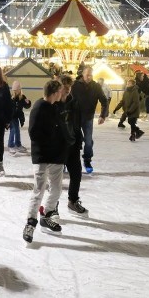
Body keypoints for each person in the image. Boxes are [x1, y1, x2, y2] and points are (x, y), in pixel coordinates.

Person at [22, 80, 68, 243]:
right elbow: (34, 133)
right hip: (42, 156)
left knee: (56, 189)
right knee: (39, 190)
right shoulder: (39, 107)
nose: (62, 94)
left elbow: (61, 129)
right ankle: (30, 222)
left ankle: (47, 215)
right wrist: (52, 140)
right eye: (60, 92)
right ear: (55, 92)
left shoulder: (56, 107)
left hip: (57, 156)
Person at [58, 74, 88, 217]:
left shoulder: (74, 102)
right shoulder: (54, 104)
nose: (68, 89)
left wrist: (78, 139)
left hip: (73, 144)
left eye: (69, 87)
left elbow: (77, 123)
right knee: (56, 178)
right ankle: (53, 207)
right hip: (59, 146)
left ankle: (73, 200)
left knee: (76, 173)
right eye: (65, 87)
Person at [71, 66, 108, 174]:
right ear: (82, 74)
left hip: (88, 118)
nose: (89, 77)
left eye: (91, 75)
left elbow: (104, 101)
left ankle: (87, 161)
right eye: (87, 75)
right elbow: (67, 99)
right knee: (73, 141)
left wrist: (102, 115)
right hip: (75, 117)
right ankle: (68, 161)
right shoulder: (75, 85)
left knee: (88, 141)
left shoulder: (96, 86)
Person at [8, 80, 31, 153]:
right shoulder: (11, 97)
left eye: (18, 89)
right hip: (11, 116)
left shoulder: (22, 97)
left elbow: (26, 106)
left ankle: (18, 144)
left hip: (17, 116)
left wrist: (28, 103)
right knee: (13, 130)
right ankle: (11, 145)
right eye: (15, 90)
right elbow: (7, 107)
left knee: (17, 130)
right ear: (13, 90)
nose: (17, 91)